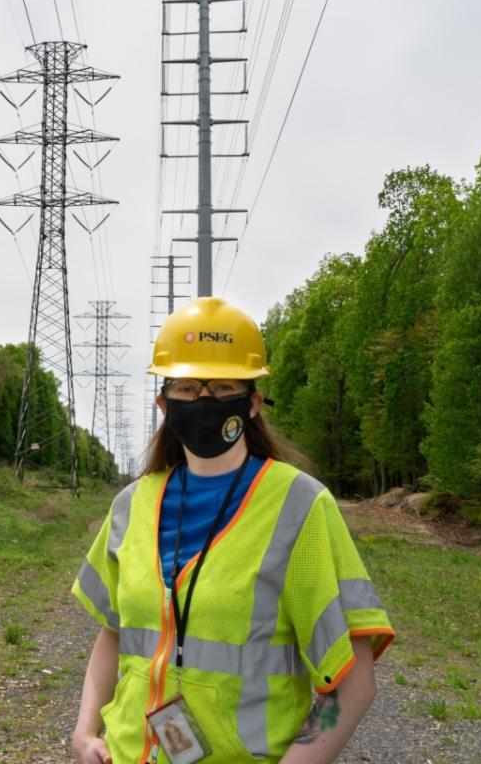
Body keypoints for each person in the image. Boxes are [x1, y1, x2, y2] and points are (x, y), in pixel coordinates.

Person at [72, 296, 395, 764]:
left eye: (223, 387)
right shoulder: (132, 503)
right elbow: (115, 632)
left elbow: (354, 683)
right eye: (187, 388)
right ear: (164, 404)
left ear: (253, 403)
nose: (203, 401)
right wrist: (85, 730)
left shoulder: (300, 506)